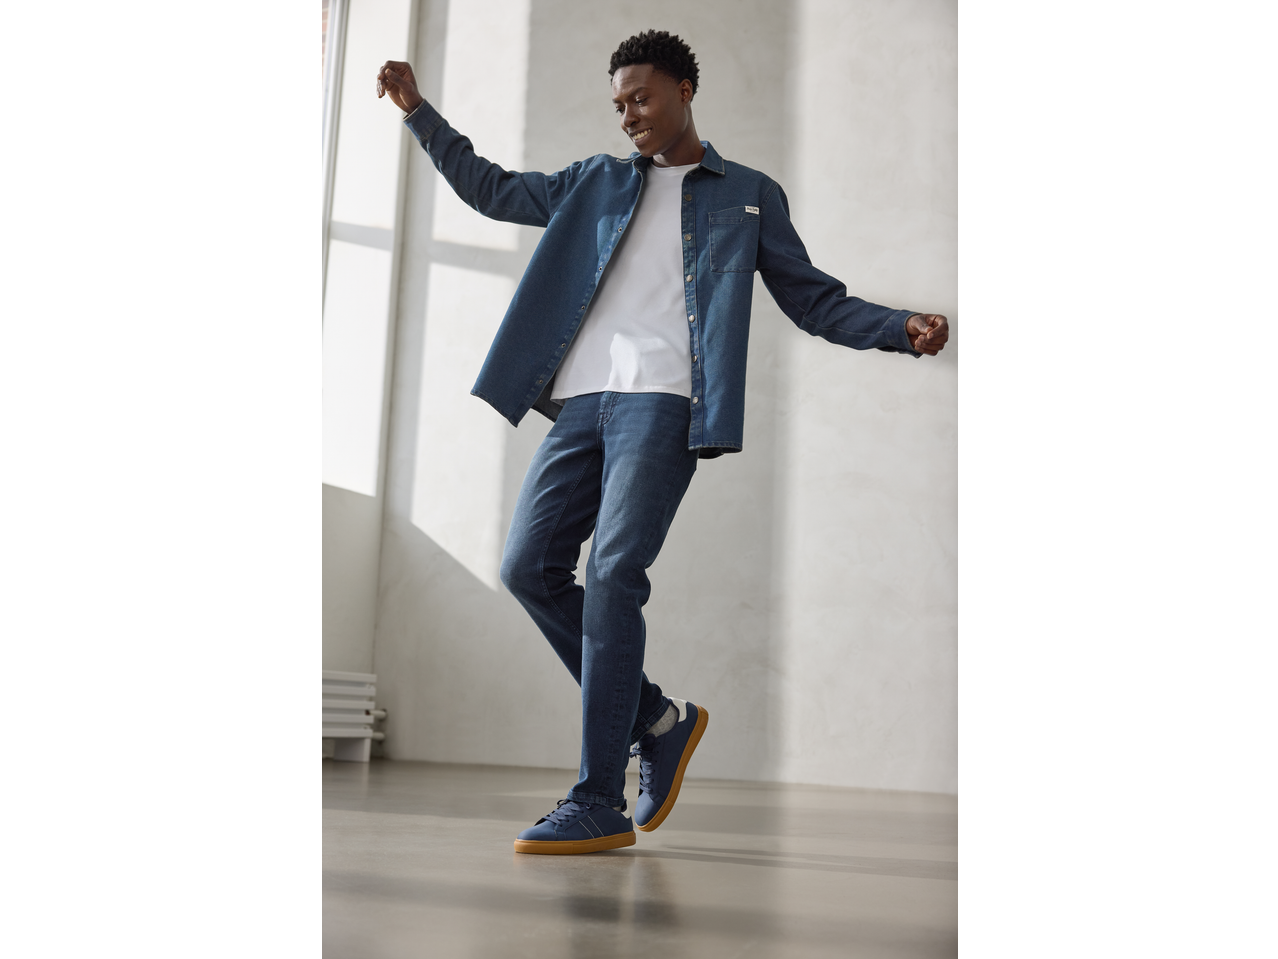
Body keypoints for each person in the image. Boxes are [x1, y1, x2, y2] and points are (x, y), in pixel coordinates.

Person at [377, 30, 948, 855]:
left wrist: (900, 327)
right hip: (583, 404)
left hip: (665, 404)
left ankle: (597, 797)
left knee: (611, 573)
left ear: (684, 89)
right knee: (528, 566)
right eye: (618, 104)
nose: (629, 116)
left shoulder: (747, 194)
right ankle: (657, 720)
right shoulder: (592, 183)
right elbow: (493, 191)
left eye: (641, 97)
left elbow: (813, 301)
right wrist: (419, 113)